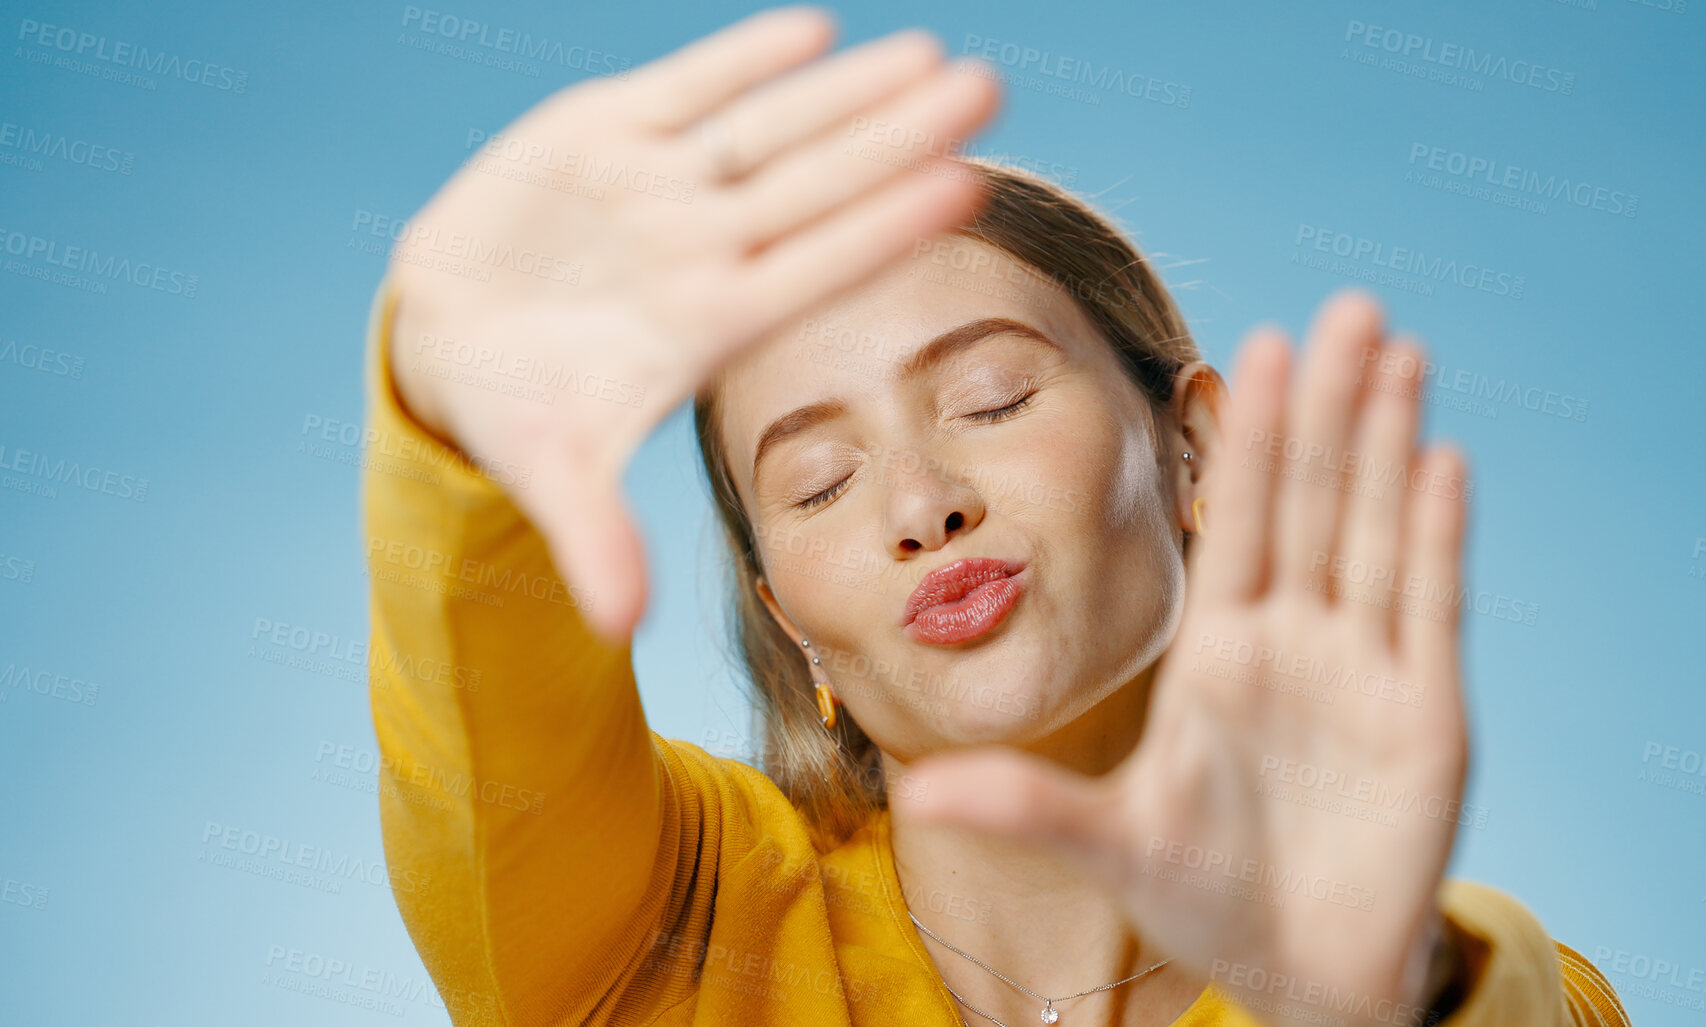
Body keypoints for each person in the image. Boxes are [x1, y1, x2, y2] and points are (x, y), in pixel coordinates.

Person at [361, 7, 1631, 1025]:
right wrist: (453, 410)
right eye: (817, 483)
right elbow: (486, 732)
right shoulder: (681, 926)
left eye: (991, 396)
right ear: (788, 621)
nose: (922, 505)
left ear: (1192, 447)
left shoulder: (1479, 991)